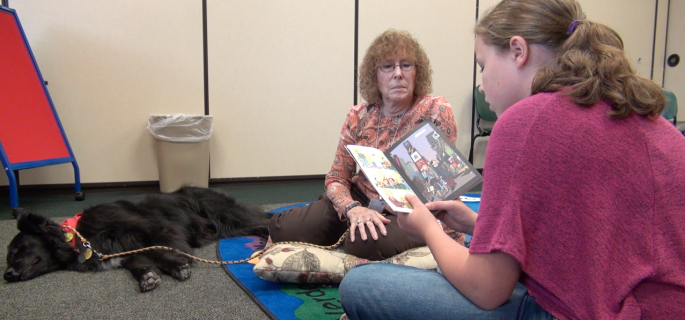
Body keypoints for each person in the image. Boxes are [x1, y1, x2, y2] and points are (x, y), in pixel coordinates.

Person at [339, 0, 685, 319]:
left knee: (362, 284)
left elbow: (487, 289)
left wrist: (429, 228)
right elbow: (583, 237)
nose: (483, 84)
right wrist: (478, 224)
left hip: (593, 311)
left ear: (518, 51)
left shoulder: (525, 122)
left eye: (483, 65)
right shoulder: (647, 117)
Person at [269, 29, 459, 260]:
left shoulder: (435, 110)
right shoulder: (358, 116)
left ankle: (359, 233)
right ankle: (352, 224)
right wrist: (352, 209)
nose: (398, 73)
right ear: (374, 76)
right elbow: (337, 178)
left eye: (406, 65)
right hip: (361, 199)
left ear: (417, 72)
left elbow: (442, 183)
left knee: (363, 243)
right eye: (388, 66)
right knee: (282, 228)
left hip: (410, 211)